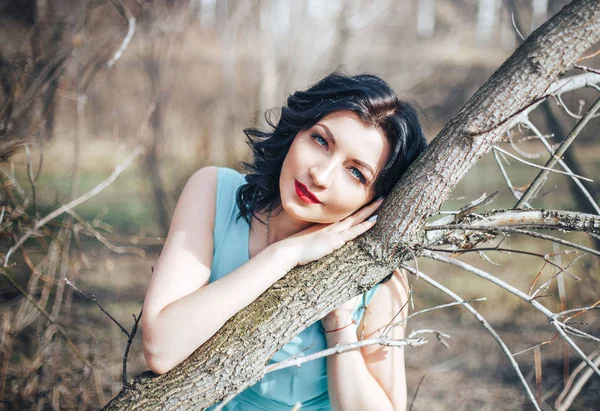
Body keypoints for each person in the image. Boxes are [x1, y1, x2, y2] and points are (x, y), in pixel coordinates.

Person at [141, 71, 428, 410]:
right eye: (321, 141)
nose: (320, 175)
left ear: (374, 199)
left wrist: (339, 324)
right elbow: (160, 349)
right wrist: (284, 254)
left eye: (355, 172)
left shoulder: (379, 277)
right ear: (296, 131)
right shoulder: (214, 192)